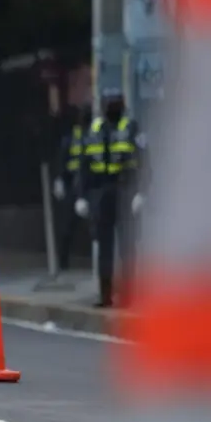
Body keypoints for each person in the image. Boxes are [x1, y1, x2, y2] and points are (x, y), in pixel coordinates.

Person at [74, 89, 145, 307]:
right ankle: (105, 295)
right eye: (109, 103)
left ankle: (129, 295)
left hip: (125, 190)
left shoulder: (132, 128)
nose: (112, 107)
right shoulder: (94, 130)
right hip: (100, 192)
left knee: (127, 246)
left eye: (116, 103)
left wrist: (142, 192)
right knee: (104, 247)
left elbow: (144, 162)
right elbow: (84, 165)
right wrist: (81, 196)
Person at [51, 107, 87, 271]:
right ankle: (63, 261)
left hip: (85, 185)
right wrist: (59, 180)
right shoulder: (71, 139)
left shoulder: (89, 136)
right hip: (73, 185)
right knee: (67, 227)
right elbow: (62, 161)